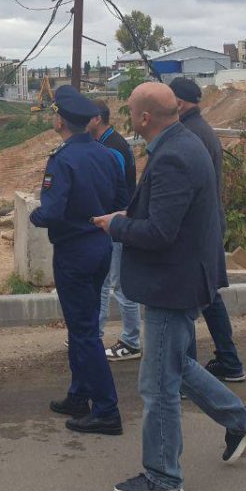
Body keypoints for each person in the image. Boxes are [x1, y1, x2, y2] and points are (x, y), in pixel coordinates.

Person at [93, 82, 246, 491]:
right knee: (175, 365)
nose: (128, 115)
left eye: (130, 109)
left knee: (157, 385)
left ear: (144, 117)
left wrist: (117, 226)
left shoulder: (173, 156)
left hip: (173, 283)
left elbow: (160, 232)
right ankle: (241, 419)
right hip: (181, 277)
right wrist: (127, 214)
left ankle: (163, 476)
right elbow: (168, 215)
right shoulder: (181, 143)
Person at [30, 85, 127, 435]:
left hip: (74, 252)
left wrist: (35, 216)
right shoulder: (107, 155)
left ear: (61, 121)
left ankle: (106, 409)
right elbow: (119, 200)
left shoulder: (62, 160)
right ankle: (79, 394)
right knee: (81, 325)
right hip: (100, 246)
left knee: (84, 332)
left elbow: (52, 212)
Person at [168, 77, 246, 384]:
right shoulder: (201, 130)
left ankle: (186, 374)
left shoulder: (189, 135)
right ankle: (229, 361)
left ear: (178, 103)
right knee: (208, 295)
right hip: (208, 223)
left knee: (188, 295)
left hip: (197, 227)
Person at [90, 100, 142, 362]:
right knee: (102, 282)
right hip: (111, 222)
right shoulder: (108, 143)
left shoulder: (113, 148)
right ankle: (94, 334)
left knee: (120, 284)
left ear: (97, 119)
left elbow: (114, 188)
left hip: (118, 223)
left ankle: (131, 341)